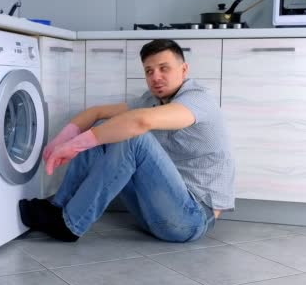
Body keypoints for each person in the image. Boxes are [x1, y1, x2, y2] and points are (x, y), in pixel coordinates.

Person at [19, 39, 235, 243]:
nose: (155, 77)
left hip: (191, 220)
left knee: (131, 135)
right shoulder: (151, 101)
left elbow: (139, 122)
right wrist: (61, 141)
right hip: (154, 212)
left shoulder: (198, 99)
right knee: (110, 125)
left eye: (164, 68)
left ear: (184, 70)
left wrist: (75, 145)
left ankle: (70, 225)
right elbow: (97, 112)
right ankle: (59, 206)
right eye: (149, 71)